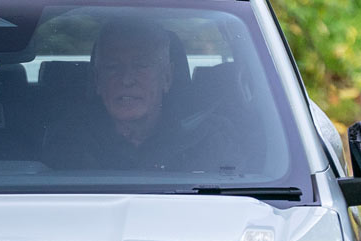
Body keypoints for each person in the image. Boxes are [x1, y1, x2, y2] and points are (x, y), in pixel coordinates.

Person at [47, 22, 239, 172]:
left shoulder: (209, 137)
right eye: (113, 67)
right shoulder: (67, 142)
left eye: (141, 66)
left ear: (167, 77)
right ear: (97, 79)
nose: (126, 80)